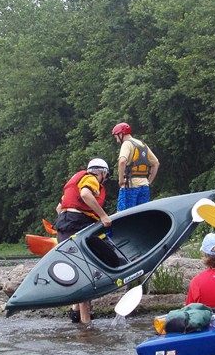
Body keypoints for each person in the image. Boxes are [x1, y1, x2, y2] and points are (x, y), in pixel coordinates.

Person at [53, 158, 112, 325]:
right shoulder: (91, 178)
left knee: (78, 271)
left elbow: (59, 208)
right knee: (87, 274)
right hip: (77, 225)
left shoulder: (75, 180)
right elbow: (86, 194)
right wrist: (102, 215)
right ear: (101, 173)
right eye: (105, 175)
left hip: (63, 227)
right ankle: (86, 325)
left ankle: (75, 313)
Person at [111, 122, 160, 211]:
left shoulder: (126, 144)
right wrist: (149, 181)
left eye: (116, 137)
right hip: (144, 186)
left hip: (130, 186)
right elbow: (156, 163)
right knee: (141, 216)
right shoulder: (142, 144)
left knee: (124, 216)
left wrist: (121, 180)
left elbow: (122, 161)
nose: (117, 140)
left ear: (121, 134)